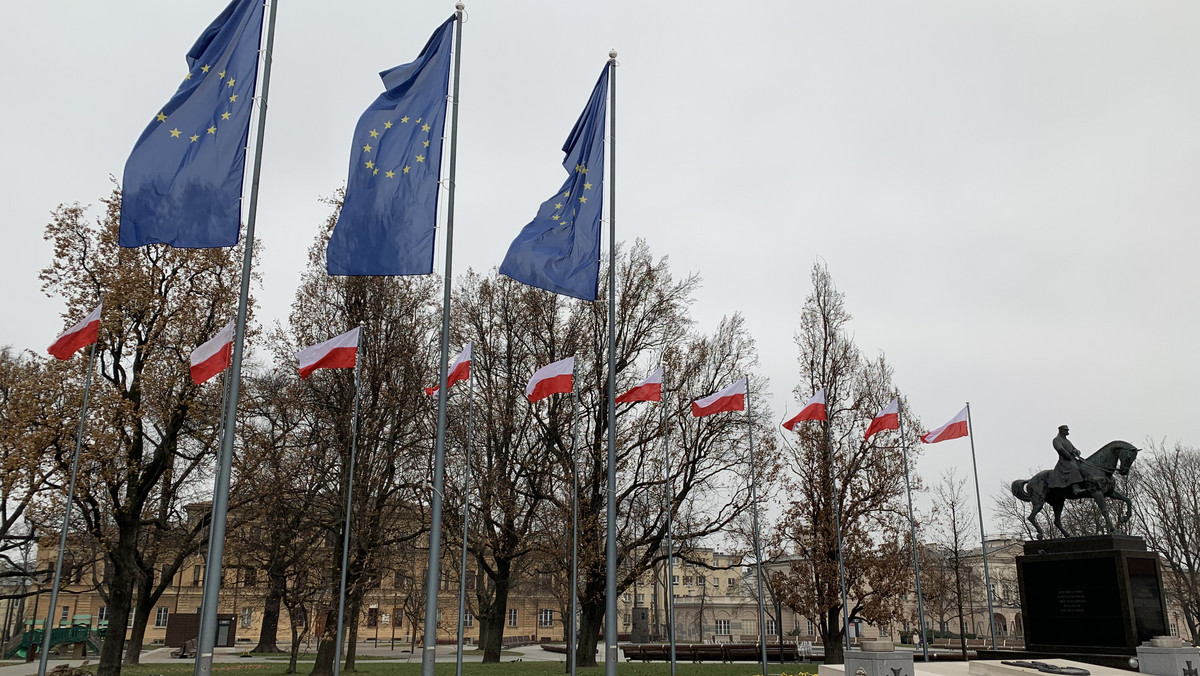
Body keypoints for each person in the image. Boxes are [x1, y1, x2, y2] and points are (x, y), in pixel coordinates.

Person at [1048, 425, 1085, 490]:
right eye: (1066, 430)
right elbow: (1060, 450)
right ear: (1061, 430)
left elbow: (1074, 449)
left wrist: (1077, 451)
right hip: (1064, 461)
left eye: (1067, 430)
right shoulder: (1056, 440)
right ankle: (1075, 488)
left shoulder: (1068, 441)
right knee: (1073, 467)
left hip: (1072, 459)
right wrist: (1069, 457)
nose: (1067, 431)